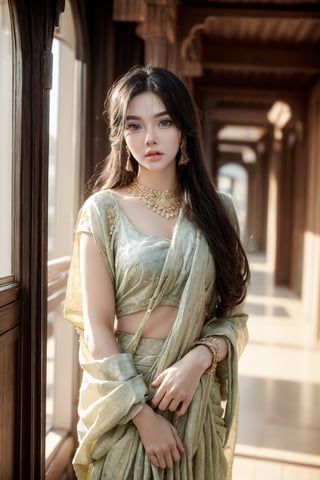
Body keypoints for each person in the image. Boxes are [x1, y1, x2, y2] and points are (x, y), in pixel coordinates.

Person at [64, 65, 250, 480]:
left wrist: (198, 361)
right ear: (122, 135)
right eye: (135, 125)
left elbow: (233, 318)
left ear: (183, 128)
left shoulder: (218, 212)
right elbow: (95, 328)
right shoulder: (103, 210)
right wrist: (143, 419)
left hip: (192, 398)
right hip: (126, 397)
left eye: (163, 121)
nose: (150, 138)